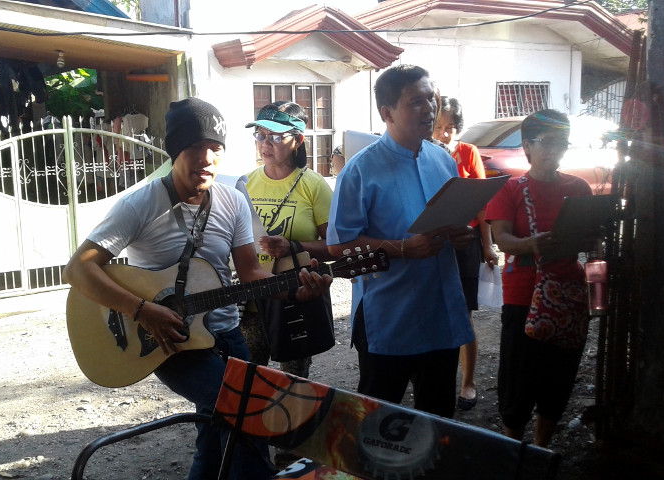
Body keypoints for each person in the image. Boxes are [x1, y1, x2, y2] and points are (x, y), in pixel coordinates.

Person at [62, 97, 331, 479]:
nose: (206, 158)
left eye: (215, 148)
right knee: (249, 414)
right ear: (175, 150)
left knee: (214, 431)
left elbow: (252, 273)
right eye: (194, 147)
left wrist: (294, 292)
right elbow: (78, 269)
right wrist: (141, 310)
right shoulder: (140, 204)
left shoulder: (234, 202)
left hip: (228, 336)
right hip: (170, 344)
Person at [326, 64, 475, 419]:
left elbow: (454, 221)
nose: (429, 109)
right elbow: (338, 247)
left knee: (437, 420)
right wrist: (404, 249)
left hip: (440, 311)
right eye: (416, 102)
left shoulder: (442, 159)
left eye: (431, 99)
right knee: (379, 421)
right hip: (389, 317)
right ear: (387, 112)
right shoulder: (361, 170)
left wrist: (461, 235)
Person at [485, 109, 592, 447]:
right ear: (528, 147)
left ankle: (542, 449)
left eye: (562, 143)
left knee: (559, 374)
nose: (556, 150)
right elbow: (501, 239)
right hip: (523, 295)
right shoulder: (510, 190)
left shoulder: (579, 189)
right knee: (519, 377)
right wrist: (530, 244)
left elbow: (590, 236)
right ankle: (513, 447)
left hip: (568, 294)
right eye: (548, 143)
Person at [240, 101, 334, 379]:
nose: (265, 144)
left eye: (277, 137)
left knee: (293, 384)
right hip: (252, 301)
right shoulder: (244, 183)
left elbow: (335, 248)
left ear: (298, 140)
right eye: (260, 135)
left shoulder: (314, 185)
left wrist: (293, 247)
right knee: (246, 379)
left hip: (295, 296)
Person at [432, 96, 499, 411]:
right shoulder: (426, 154)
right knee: (433, 311)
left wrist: (487, 244)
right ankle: (434, 379)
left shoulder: (469, 152)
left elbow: (481, 203)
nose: (445, 134)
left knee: (465, 313)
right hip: (433, 241)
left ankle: (468, 381)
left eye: (450, 128)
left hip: (466, 240)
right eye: (439, 127)